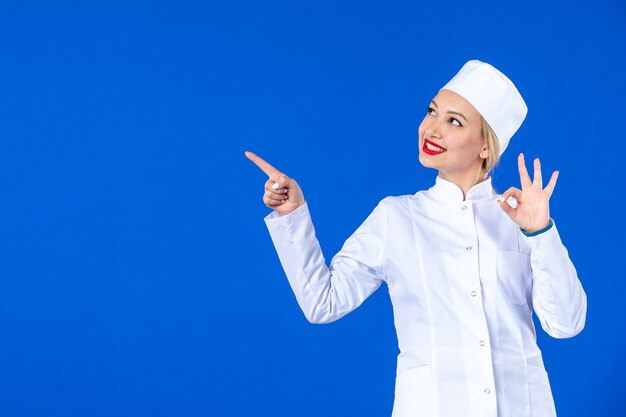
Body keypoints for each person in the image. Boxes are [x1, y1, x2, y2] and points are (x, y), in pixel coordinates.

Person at [245, 60, 586, 417]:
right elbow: (323, 303)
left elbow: (566, 325)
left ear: (486, 147)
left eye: (454, 121)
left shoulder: (523, 220)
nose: (432, 129)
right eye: (432, 112)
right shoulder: (397, 216)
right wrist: (293, 217)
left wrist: (540, 232)